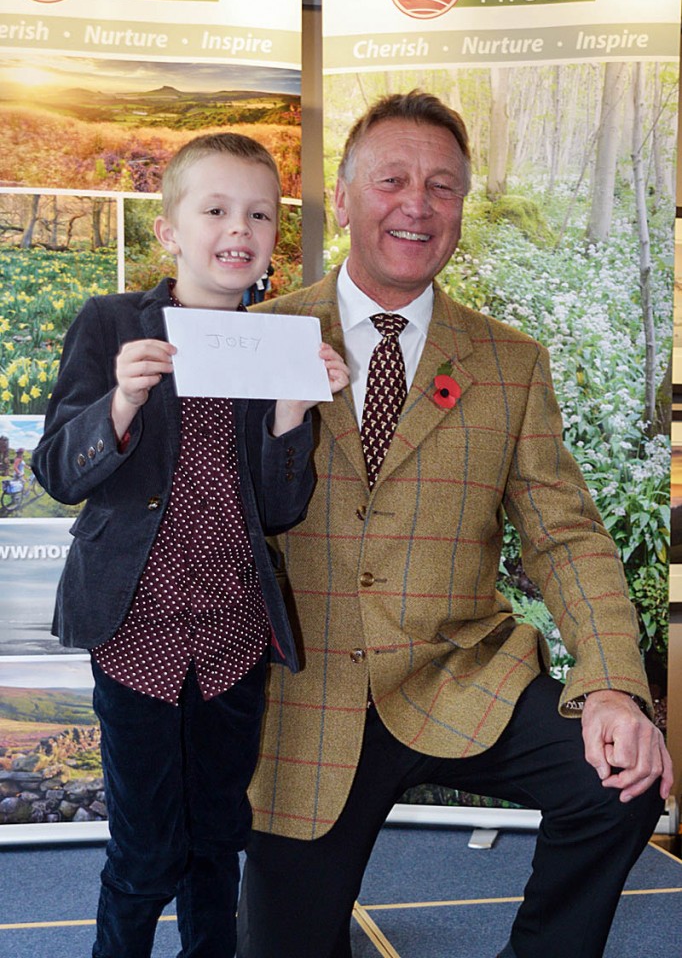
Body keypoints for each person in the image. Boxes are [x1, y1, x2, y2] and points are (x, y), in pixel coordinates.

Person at [237, 91, 673, 958]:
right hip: (304, 697)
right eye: (393, 179)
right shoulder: (260, 336)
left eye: (442, 186)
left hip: (460, 674)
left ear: (461, 210)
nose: (417, 203)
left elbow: (566, 537)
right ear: (349, 193)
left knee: (621, 781)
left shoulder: (509, 363)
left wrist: (615, 688)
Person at [31, 131, 349, 958]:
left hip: (232, 636)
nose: (236, 228)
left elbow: (279, 510)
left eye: (257, 213)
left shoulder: (276, 339)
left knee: (218, 840)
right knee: (145, 851)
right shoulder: (109, 325)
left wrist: (291, 413)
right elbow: (60, 472)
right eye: (214, 209)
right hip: (135, 631)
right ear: (170, 230)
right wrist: (119, 406)